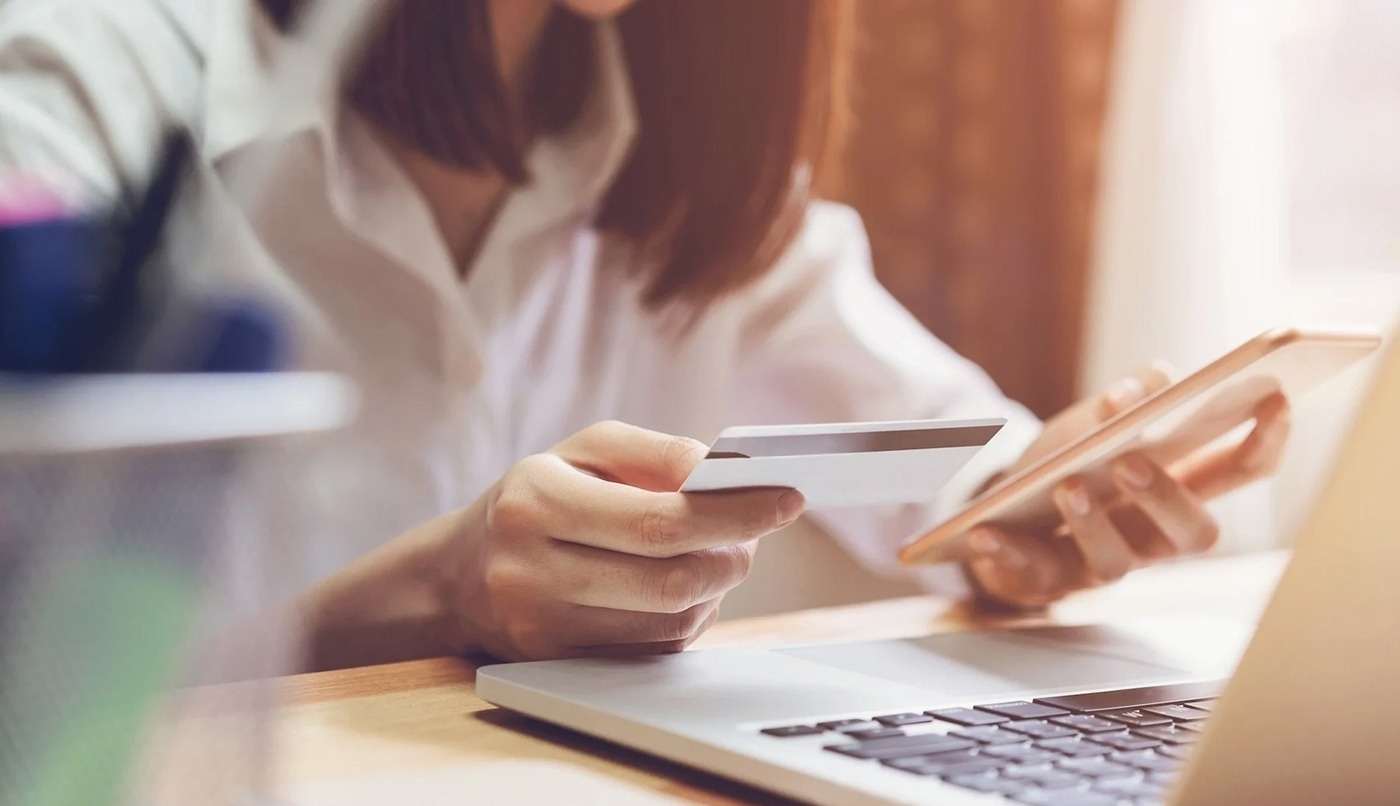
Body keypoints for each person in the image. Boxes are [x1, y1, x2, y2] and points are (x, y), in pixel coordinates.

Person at [0, 0, 1288, 662]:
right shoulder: (81, 99)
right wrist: (429, 595)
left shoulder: (693, 179)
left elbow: (954, 477)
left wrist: (1040, 514)